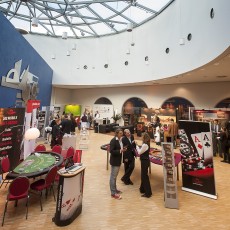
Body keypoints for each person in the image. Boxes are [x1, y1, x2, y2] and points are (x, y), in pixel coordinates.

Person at [109, 128, 127, 200]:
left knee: (115, 176)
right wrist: (120, 150)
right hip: (115, 161)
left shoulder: (120, 140)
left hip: (118, 160)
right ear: (116, 134)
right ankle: (113, 193)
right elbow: (112, 151)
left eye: (122, 133)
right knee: (113, 177)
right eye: (120, 133)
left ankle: (115, 190)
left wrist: (123, 149)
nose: (121, 134)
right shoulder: (113, 140)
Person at [136, 132, 152, 198]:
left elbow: (139, 152)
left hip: (144, 162)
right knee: (143, 176)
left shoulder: (145, 145)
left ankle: (148, 193)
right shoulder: (145, 144)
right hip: (145, 161)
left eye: (142, 136)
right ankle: (142, 189)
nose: (141, 137)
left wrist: (136, 146)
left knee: (144, 177)